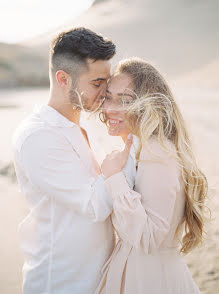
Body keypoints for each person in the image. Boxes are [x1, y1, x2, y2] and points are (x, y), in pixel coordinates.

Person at [12, 27, 135, 294]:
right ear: (63, 79)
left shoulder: (86, 124)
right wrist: (136, 148)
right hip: (61, 282)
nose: (105, 91)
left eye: (107, 80)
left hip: (96, 279)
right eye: (96, 83)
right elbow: (95, 205)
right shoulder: (38, 137)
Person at [96, 57, 208, 294]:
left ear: (148, 105)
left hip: (149, 280)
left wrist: (115, 179)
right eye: (108, 97)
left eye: (124, 100)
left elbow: (149, 237)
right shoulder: (142, 148)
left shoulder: (157, 152)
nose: (109, 108)